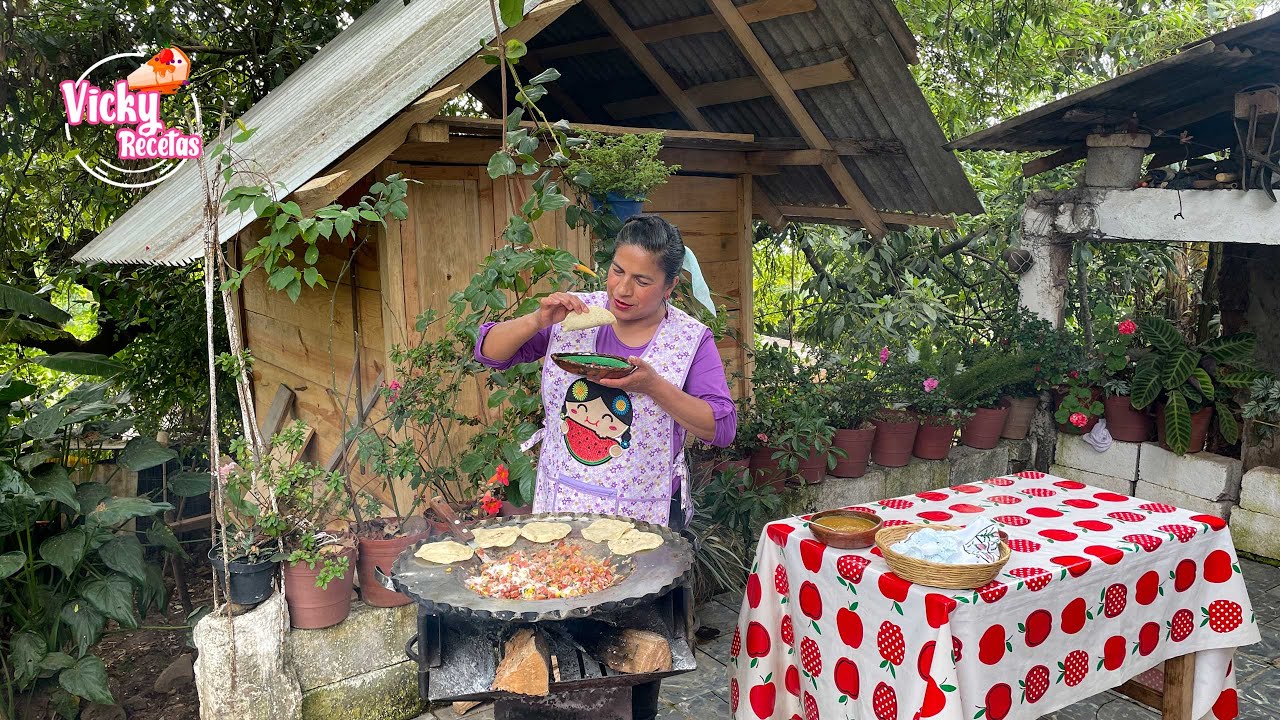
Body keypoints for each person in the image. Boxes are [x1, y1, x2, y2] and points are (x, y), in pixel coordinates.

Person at [473, 215, 738, 719]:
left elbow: (720, 427)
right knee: (546, 650)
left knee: (633, 664)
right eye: (617, 271)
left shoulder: (689, 341)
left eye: (642, 281)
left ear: (670, 285)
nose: (622, 289)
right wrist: (536, 320)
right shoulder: (576, 315)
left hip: (640, 535)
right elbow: (489, 351)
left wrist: (653, 386)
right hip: (559, 520)